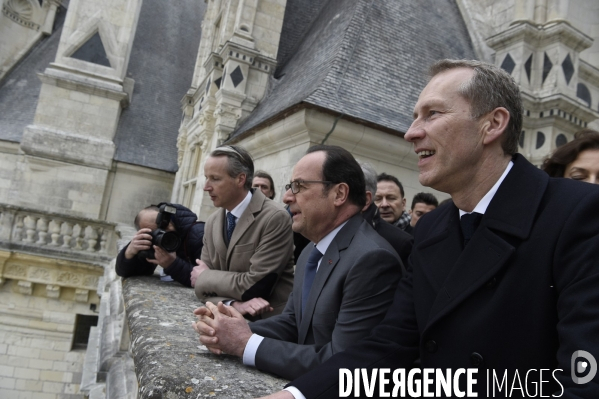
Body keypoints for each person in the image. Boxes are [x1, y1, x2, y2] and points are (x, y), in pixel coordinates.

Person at [257, 60, 599, 398]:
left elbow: (584, 381)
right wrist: (297, 395)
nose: (411, 132)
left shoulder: (580, 213)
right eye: (415, 116)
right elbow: (390, 345)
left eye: (432, 114)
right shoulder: (434, 227)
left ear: (493, 124)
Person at [192, 145, 402, 380]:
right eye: (289, 186)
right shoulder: (311, 251)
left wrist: (245, 343)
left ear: (339, 194)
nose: (286, 197)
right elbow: (293, 323)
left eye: (299, 186)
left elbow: (344, 363)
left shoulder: (372, 260)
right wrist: (227, 328)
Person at [190, 145, 294, 318]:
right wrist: (234, 304)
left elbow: (256, 286)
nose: (206, 187)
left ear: (240, 179)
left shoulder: (275, 218)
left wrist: (206, 276)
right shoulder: (212, 222)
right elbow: (201, 289)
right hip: (226, 321)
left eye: (215, 179)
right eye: (206, 178)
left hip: (267, 326)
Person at [115, 203, 204, 287]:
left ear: (172, 219)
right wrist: (129, 252)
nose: (163, 235)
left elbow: (206, 280)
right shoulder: (153, 240)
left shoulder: (199, 235)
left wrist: (172, 264)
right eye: (155, 232)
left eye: (164, 227)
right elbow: (125, 272)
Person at [360, 162, 413, 266]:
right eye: (378, 199)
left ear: (403, 203)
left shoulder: (414, 239)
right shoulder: (362, 230)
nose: (384, 204)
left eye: (391, 198)